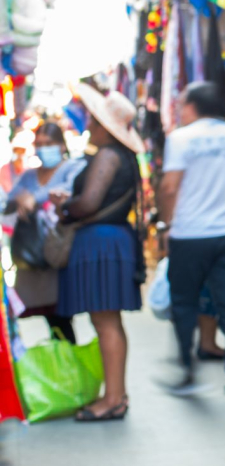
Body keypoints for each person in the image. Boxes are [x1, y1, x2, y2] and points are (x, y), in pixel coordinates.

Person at [157, 81, 225, 399]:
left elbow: (170, 187)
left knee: (184, 304)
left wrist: (167, 224)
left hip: (189, 235)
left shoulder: (181, 138)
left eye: (181, 105)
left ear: (192, 107)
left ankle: (187, 372)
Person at [56, 84, 145, 422]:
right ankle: (116, 395)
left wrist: (67, 206)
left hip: (101, 243)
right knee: (109, 321)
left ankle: (113, 398)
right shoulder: (120, 156)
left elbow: (89, 202)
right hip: (110, 240)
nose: (90, 124)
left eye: (95, 120)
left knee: (105, 321)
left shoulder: (108, 156)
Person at [7, 123, 87, 343]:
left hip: (62, 250)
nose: (43, 149)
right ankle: (61, 356)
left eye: (49, 143)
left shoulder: (74, 168)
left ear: (61, 145)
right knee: (51, 315)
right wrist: (20, 200)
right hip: (35, 254)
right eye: (39, 144)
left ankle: (66, 356)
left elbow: (68, 192)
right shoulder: (28, 176)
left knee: (62, 315)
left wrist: (33, 198)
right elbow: (9, 201)